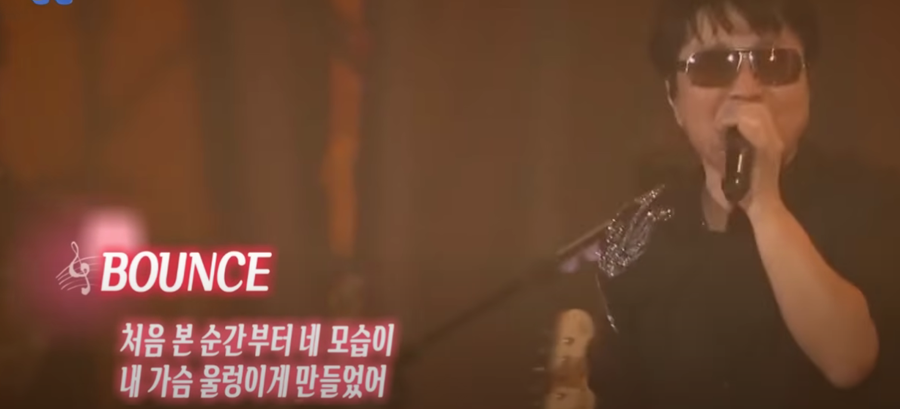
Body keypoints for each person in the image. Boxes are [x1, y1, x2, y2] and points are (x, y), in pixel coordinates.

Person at [588, 0, 900, 408]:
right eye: (713, 65)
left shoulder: (875, 201)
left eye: (773, 62)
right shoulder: (639, 232)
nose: (746, 89)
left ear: (808, 83)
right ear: (674, 97)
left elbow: (849, 360)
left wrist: (763, 203)